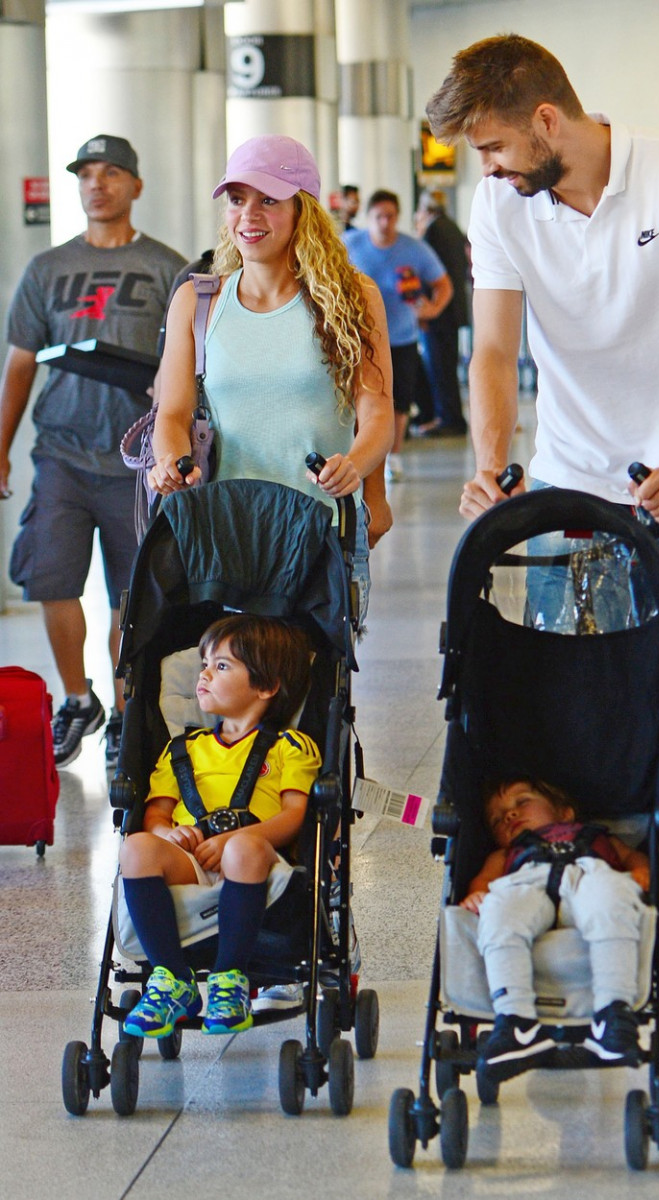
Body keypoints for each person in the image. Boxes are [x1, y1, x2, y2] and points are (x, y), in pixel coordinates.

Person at [426, 35, 659, 794]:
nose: (488, 169)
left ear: (547, 121)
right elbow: (495, 354)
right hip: (573, 479)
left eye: (494, 147)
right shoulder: (499, 203)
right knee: (570, 694)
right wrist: (490, 467)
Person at [149, 136, 395, 619]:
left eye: (268, 200)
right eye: (237, 200)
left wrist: (359, 470)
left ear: (303, 209)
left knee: (310, 683)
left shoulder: (353, 296)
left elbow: (377, 411)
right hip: (221, 536)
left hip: (320, 532)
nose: (249, 216)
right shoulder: (198, 302)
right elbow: (173, 413)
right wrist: (170, 465)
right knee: (233, 684)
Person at [0, 134, 186, 770]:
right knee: (52, 576)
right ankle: (78, 700)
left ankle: (127, 709)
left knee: (130, 594)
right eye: (86, 175)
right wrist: (0, 449)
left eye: (111, 174)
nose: (96, 185)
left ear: (135, 186)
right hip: (62, 453)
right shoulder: (46, 269)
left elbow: (189, 367)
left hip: (138, 464)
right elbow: (20, 364)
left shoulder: (169, 268)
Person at [120, 613, 321, 1037]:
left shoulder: (290, 746)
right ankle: (173, 978)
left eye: (222, 666)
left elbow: (294, 816)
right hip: (189, 859)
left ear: (266, 687)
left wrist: (236, 838)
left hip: (261, 862)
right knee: (136, 847)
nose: (204, 674)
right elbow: (156, 815)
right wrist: (167, 834)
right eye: (204, 664)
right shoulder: (183, 750)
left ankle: (231, 976)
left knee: (241, 850)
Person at [462, 778, 649, 1082]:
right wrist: (478, 893)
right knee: (498, 910)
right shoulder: (503, 856)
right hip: (525, 881)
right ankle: (516, 1022)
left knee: (610, 896)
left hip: (588, 873)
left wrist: (641, 870)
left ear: (565, 814)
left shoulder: (597, 837)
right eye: (498, 819)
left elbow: (631, 857)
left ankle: (612, 1011)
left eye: (521, 802)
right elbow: (484, 880)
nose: (509, 815)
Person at [343, 189, 453, 481]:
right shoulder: (349, 244)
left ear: (397, 217)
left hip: (401, 337)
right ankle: (359, 455)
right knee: (358, 398)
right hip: (359, 338)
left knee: (399, 399)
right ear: (369, 217)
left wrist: (431, 310)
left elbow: (444, 284)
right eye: (378, 216)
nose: (384, 222)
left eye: (390, 216)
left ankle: (394, 455)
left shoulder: (413, 248)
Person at [413, 188, 470, 437]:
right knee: (447, 364)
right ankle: (449, 415)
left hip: (439, 311)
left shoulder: (434, 231)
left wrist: (425, 309)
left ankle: (448, 418)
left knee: (440, 366)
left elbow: (429, 273)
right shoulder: (453, 227)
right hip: (454, 309)